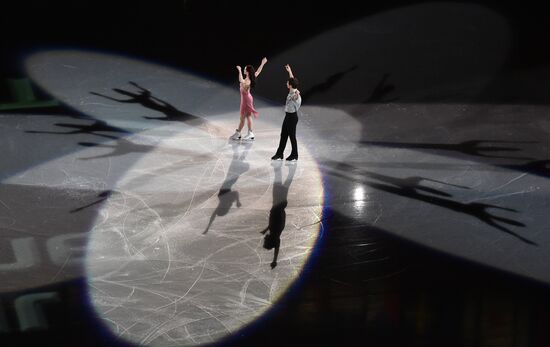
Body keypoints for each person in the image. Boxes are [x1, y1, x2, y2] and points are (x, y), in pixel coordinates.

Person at [230, 57, 268, 141]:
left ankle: (239, 133)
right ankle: (247, 133)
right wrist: (262, 63)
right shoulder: (250, 77)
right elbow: (258, 71)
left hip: (246, 100)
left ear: (247, 71)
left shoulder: (247, 81)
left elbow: (241, 81)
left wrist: (239, 70)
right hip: (246, 99)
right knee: (247, 116)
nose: (243, 70)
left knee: (243, 117)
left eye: (244, 69)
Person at [271, 64, 301, 161]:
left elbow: (296, 97)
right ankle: (280, 154)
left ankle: (295, 155)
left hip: (292, 117)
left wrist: (297, 95)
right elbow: (292, 79)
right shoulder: (292, 89)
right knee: (283, 135)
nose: (286, 83)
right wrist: (289, 71)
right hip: (288, 116)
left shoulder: (295, 94)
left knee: (292, 136)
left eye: (287, 83)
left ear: (290, 85)